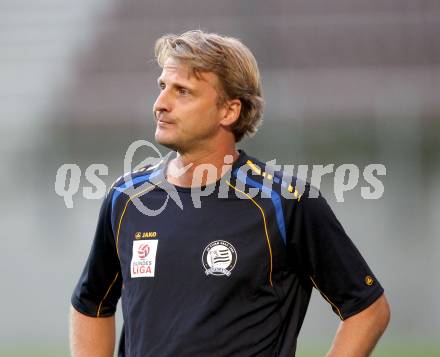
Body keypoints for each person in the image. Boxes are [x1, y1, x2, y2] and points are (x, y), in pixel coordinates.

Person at [70, 30, 390, 357]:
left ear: (229, 111)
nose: (160, 104)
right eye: (163, 87)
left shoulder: (285, 203)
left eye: (183, 92)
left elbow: (368, 309)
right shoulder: (126, 199)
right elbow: (91, 304)